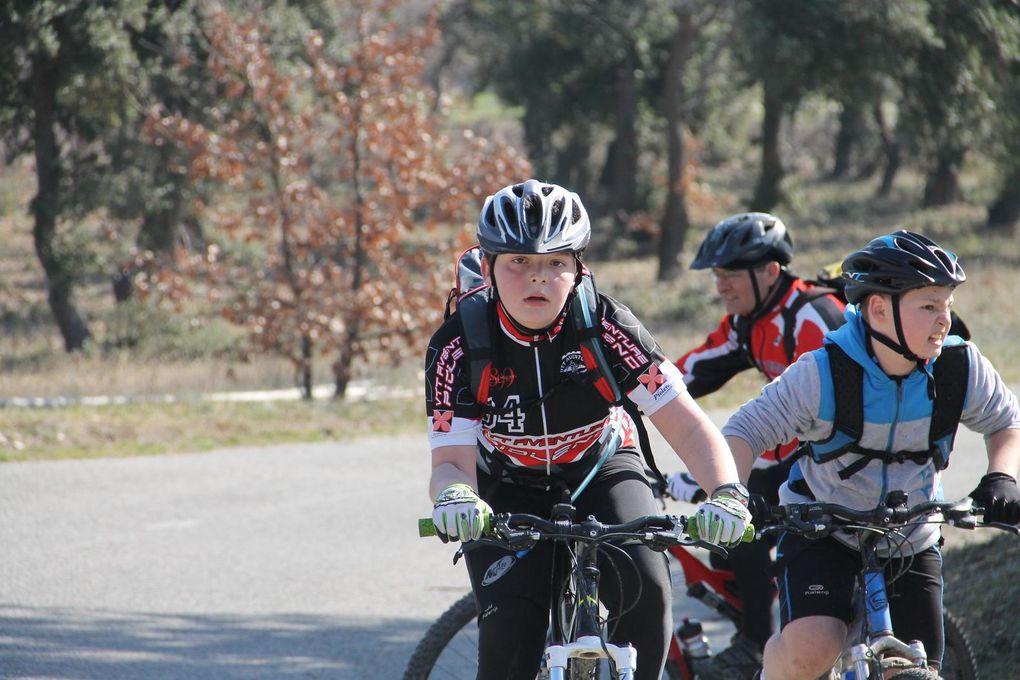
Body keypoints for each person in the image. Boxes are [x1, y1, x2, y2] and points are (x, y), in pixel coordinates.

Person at [424, 179, 753, 680]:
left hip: (602, 466)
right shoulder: (458, 345)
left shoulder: (606, 324)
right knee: (510, 634)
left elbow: (686, 424)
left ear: (578, 267)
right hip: (506, 483)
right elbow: (450, 463)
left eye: (556, 262)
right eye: (519, 262)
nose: (539, 278)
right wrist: (455, 499)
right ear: (488, 267)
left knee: (647, 588)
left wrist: (727, 493)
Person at [720, 230, 1020, 680]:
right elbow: (742, 433)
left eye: (946, 306)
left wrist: (1002, 476)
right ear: (879, 309)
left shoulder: (961, 367)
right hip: (822, 531)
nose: (944, 321)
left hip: (911, 536)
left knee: (921, 665)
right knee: (813, 645)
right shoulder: (823, 373)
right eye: (928, 307)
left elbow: (1005, 423)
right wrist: (731, 497)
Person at [666, 212, 846, 680]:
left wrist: (725, 474)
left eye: (730, 273)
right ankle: (760, 625)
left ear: (769, 271)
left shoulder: (814, 316)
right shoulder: (749, 321)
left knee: (739, 522)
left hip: (837, 463)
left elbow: (828, 414)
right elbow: (678, 377)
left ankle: (754, 643)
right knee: (722, 536)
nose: (721, 285)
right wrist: (622, 398)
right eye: (717, 275)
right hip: (795, 457)